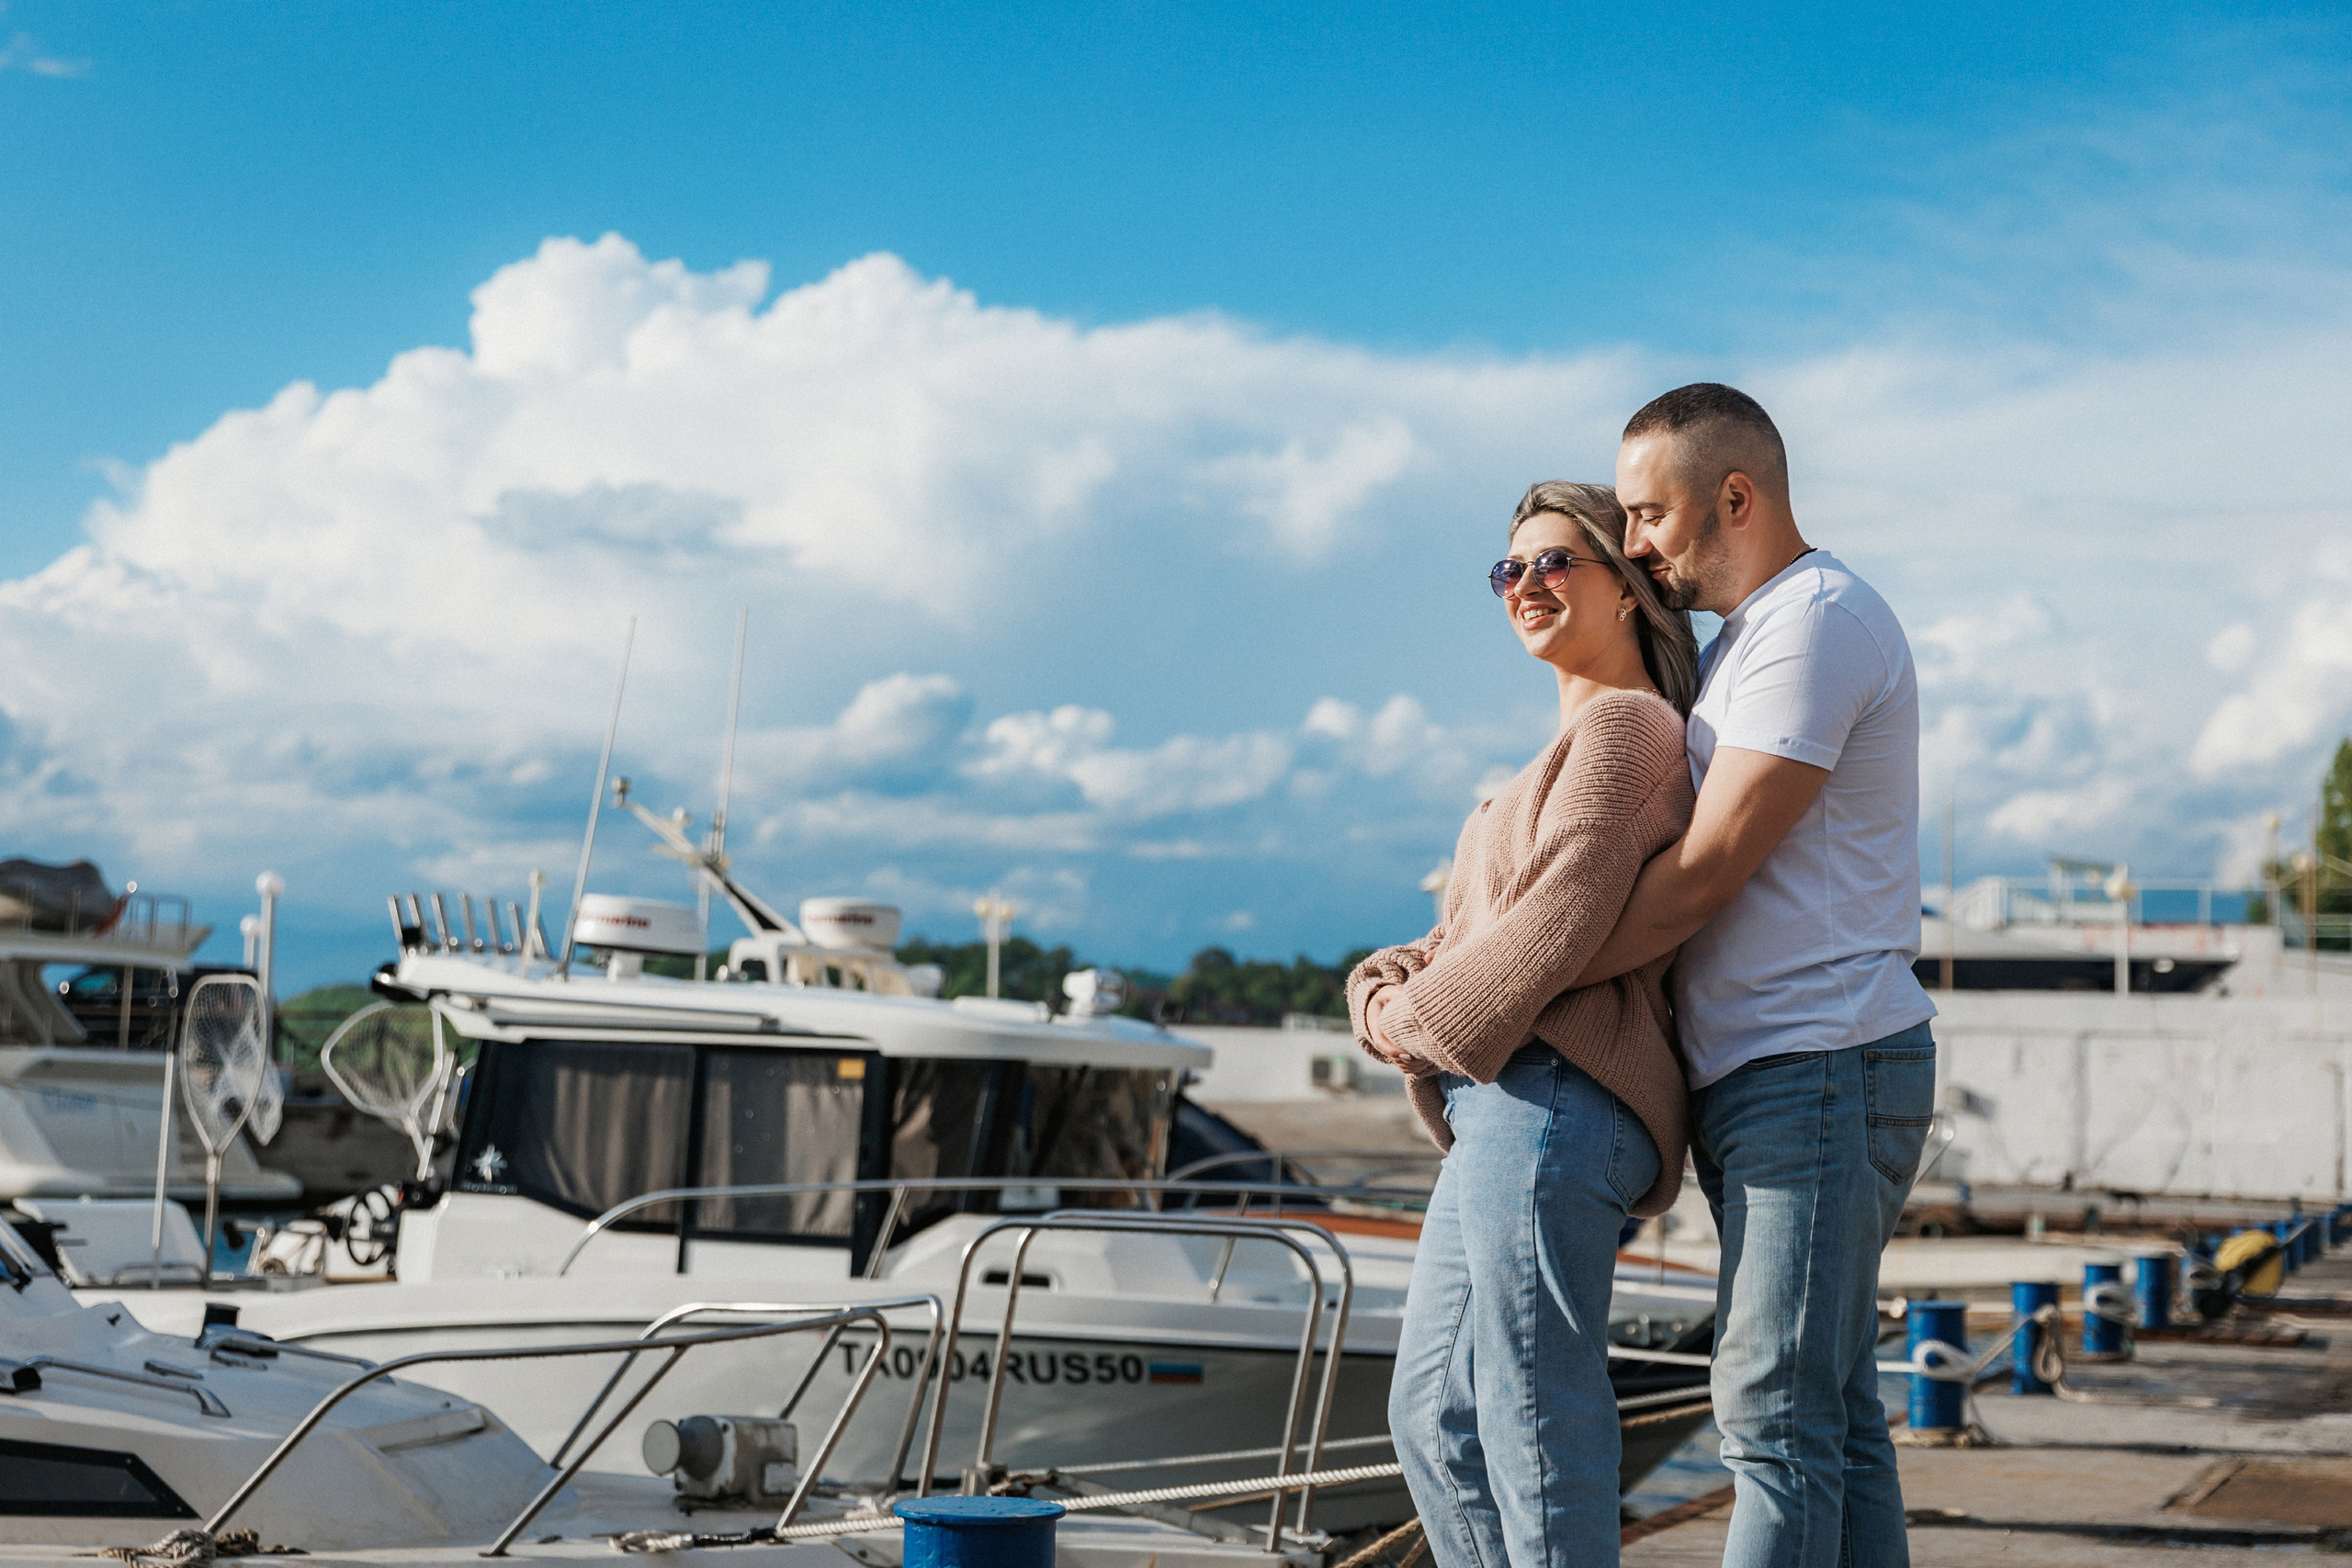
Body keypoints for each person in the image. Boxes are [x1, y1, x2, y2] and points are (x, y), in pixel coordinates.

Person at [1575, 383, 1939, 1568]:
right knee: (1826, 1411)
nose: (1633, 545)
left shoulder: (1814, 623)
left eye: (1647, 515)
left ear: (1735, 495)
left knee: (1772, 1412)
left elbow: (1710, 867)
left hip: (1820, 1061)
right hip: (1776, 1067)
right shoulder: (1747, 642)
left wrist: (1525, 984)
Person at [1347, 480, 1700, 1568]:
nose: (1526, 585)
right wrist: (1384, 993)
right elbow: (1446, 941)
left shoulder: (1630, 731)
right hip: (1503, 1105)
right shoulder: (1527, 777)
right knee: (1434, 1419)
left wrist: (1408, 1021)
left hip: (1557, 1098)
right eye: (1509, 570)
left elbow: (1551, 925)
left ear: (1630, 589)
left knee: (1530, 1410)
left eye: (1554, 562)